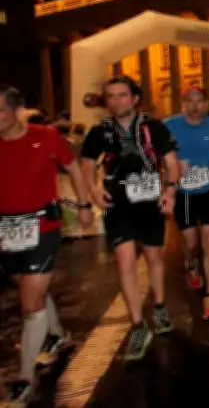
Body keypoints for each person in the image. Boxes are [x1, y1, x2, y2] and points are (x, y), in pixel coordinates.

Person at [0, 85, 93, 405]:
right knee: (32, 291)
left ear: (18, 110)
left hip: (43, 227)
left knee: (30, 303)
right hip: (6, 231)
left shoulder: (48, 137)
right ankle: (58, 337)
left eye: (0, 111)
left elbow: (73, 168)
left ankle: (24, 379)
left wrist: (84, 205)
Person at [80, 76, 179, 361]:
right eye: (111, 96)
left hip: (149, 201)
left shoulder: (154, 127)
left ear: (135, 98)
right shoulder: (100, 131)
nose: (117, 101)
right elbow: (87, 164)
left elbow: (171, 163)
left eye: (122, 95)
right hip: (117, 202)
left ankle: (159, 306)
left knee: (154, 258)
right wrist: (93, 189)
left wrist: (170, 191)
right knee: (125, 263)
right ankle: (137, 326)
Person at [164, 87, 209, 321]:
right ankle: (191, 263)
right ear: (183, 104)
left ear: (207, 104)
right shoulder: (169, 125)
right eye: (189, 101)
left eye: (199, 101)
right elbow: (155, 154)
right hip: (184, 192)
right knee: (191, 241)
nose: (195, 106)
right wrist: (173, 165)